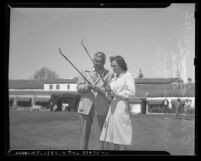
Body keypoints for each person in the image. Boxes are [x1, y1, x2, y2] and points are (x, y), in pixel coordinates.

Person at [77, 52, 113, 150]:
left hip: (101, 109)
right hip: (85, 108)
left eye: (100, 61)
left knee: (100, 139)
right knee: (83, 137)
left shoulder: (109, 74)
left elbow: (110, 94)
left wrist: (99, 89)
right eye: (96, 61)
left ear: (104, 62)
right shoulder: (84, 71)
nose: (98, 63)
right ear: (93, 60)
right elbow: (78, 88)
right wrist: (87, 87)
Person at [100, 55, 135, 150]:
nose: (113, 68)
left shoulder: (128, 76)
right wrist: (107, 92)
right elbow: (109, 97)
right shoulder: (114, 79)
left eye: (114, 65)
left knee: (121, 139)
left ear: (121, 64)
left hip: (121, 108)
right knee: (114, 139)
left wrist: (116, 93)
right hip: (112, 109)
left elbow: (131, 93)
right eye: (111, 66)